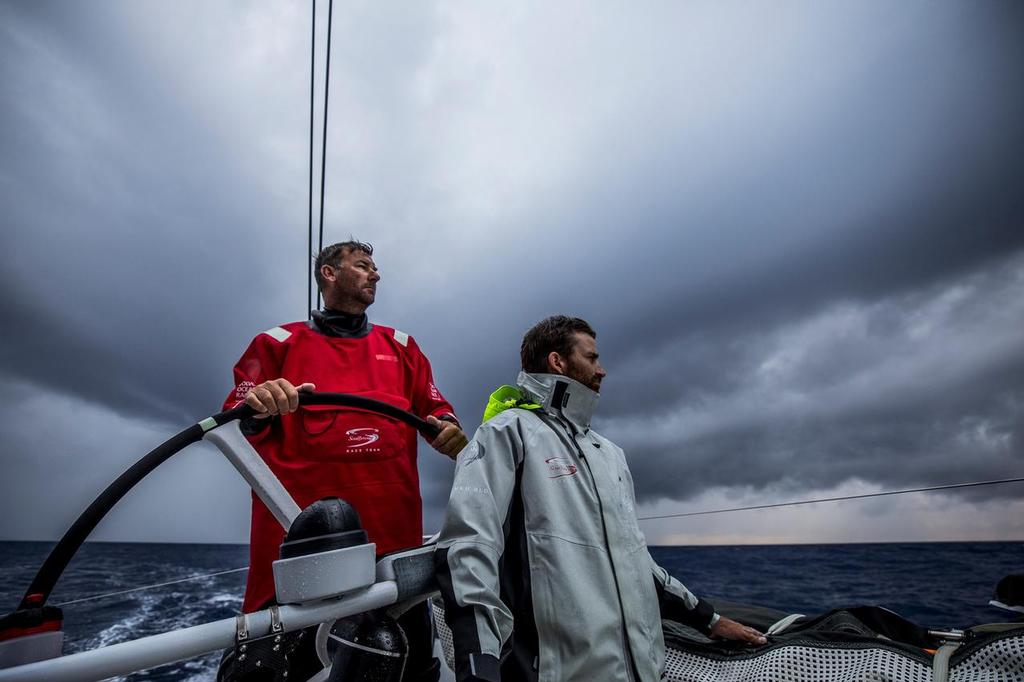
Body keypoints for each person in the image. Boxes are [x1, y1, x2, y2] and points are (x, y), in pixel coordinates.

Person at [435, 315, 765, 682]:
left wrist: (710, 620)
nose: (603, 370)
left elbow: (637, 564)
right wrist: (479, 667)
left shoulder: (609, 454)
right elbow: (467, 549)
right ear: (557, 361)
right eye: (592, 358)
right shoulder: (505, 433)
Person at [223, 240, 467, 681]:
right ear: (329, 274)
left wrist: (448, 429)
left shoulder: (403, 347)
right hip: (299, 572)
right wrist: (260, 402)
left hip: (394, 568)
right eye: (363, 266)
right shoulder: (275, 344)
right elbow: (237, 423)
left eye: (375, 268)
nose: (375, 274)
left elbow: (436, 409)